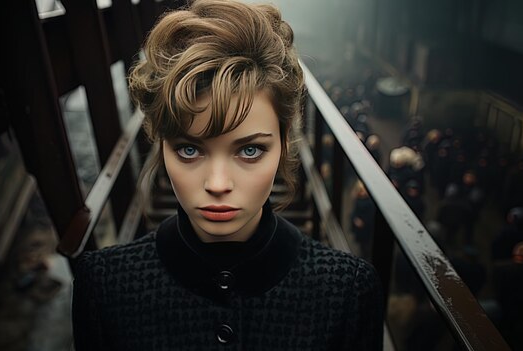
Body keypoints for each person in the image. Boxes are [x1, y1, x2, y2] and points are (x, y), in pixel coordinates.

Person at [71, 1, 384, 350]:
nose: (218, 185)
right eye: (189, 150)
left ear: (284, 143)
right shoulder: (103, 287)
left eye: (249, 150)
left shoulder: (348, 293)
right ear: (161, 146)